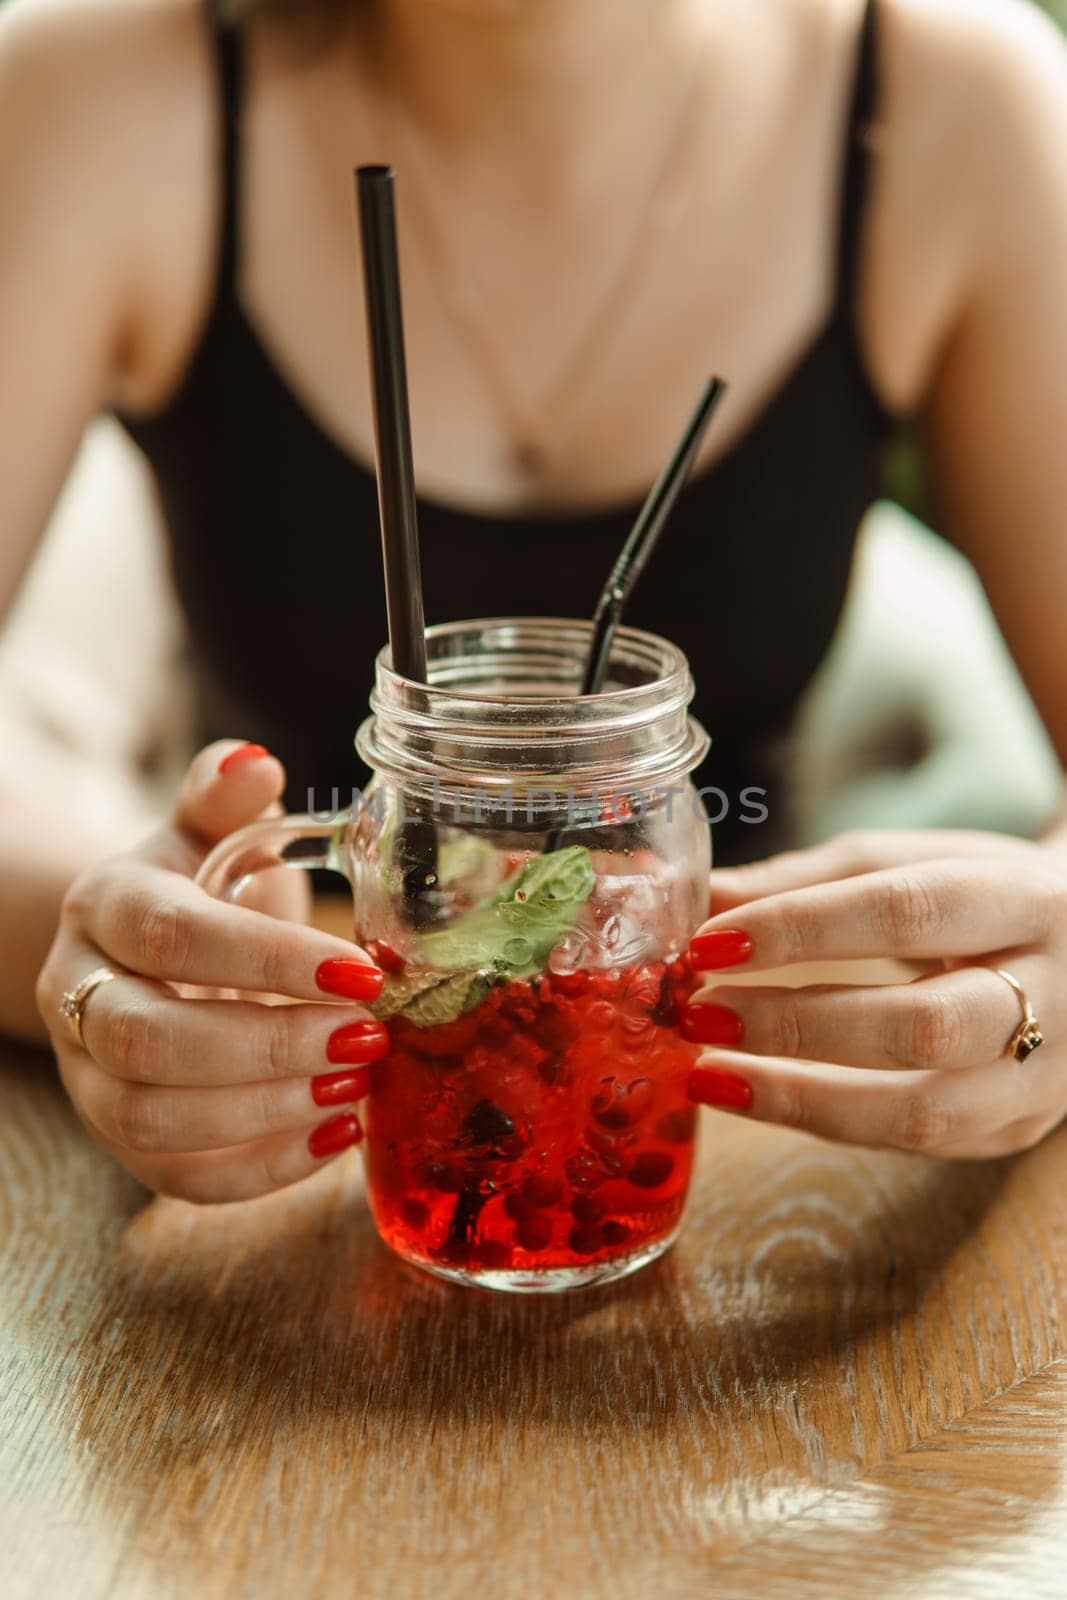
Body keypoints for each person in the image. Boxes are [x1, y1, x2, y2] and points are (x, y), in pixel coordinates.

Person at [2, 0, 1065, 1196]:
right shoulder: (93, 95)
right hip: (305, 1128)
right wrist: (98, 951)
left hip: (735, 1135)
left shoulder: (959, 109)